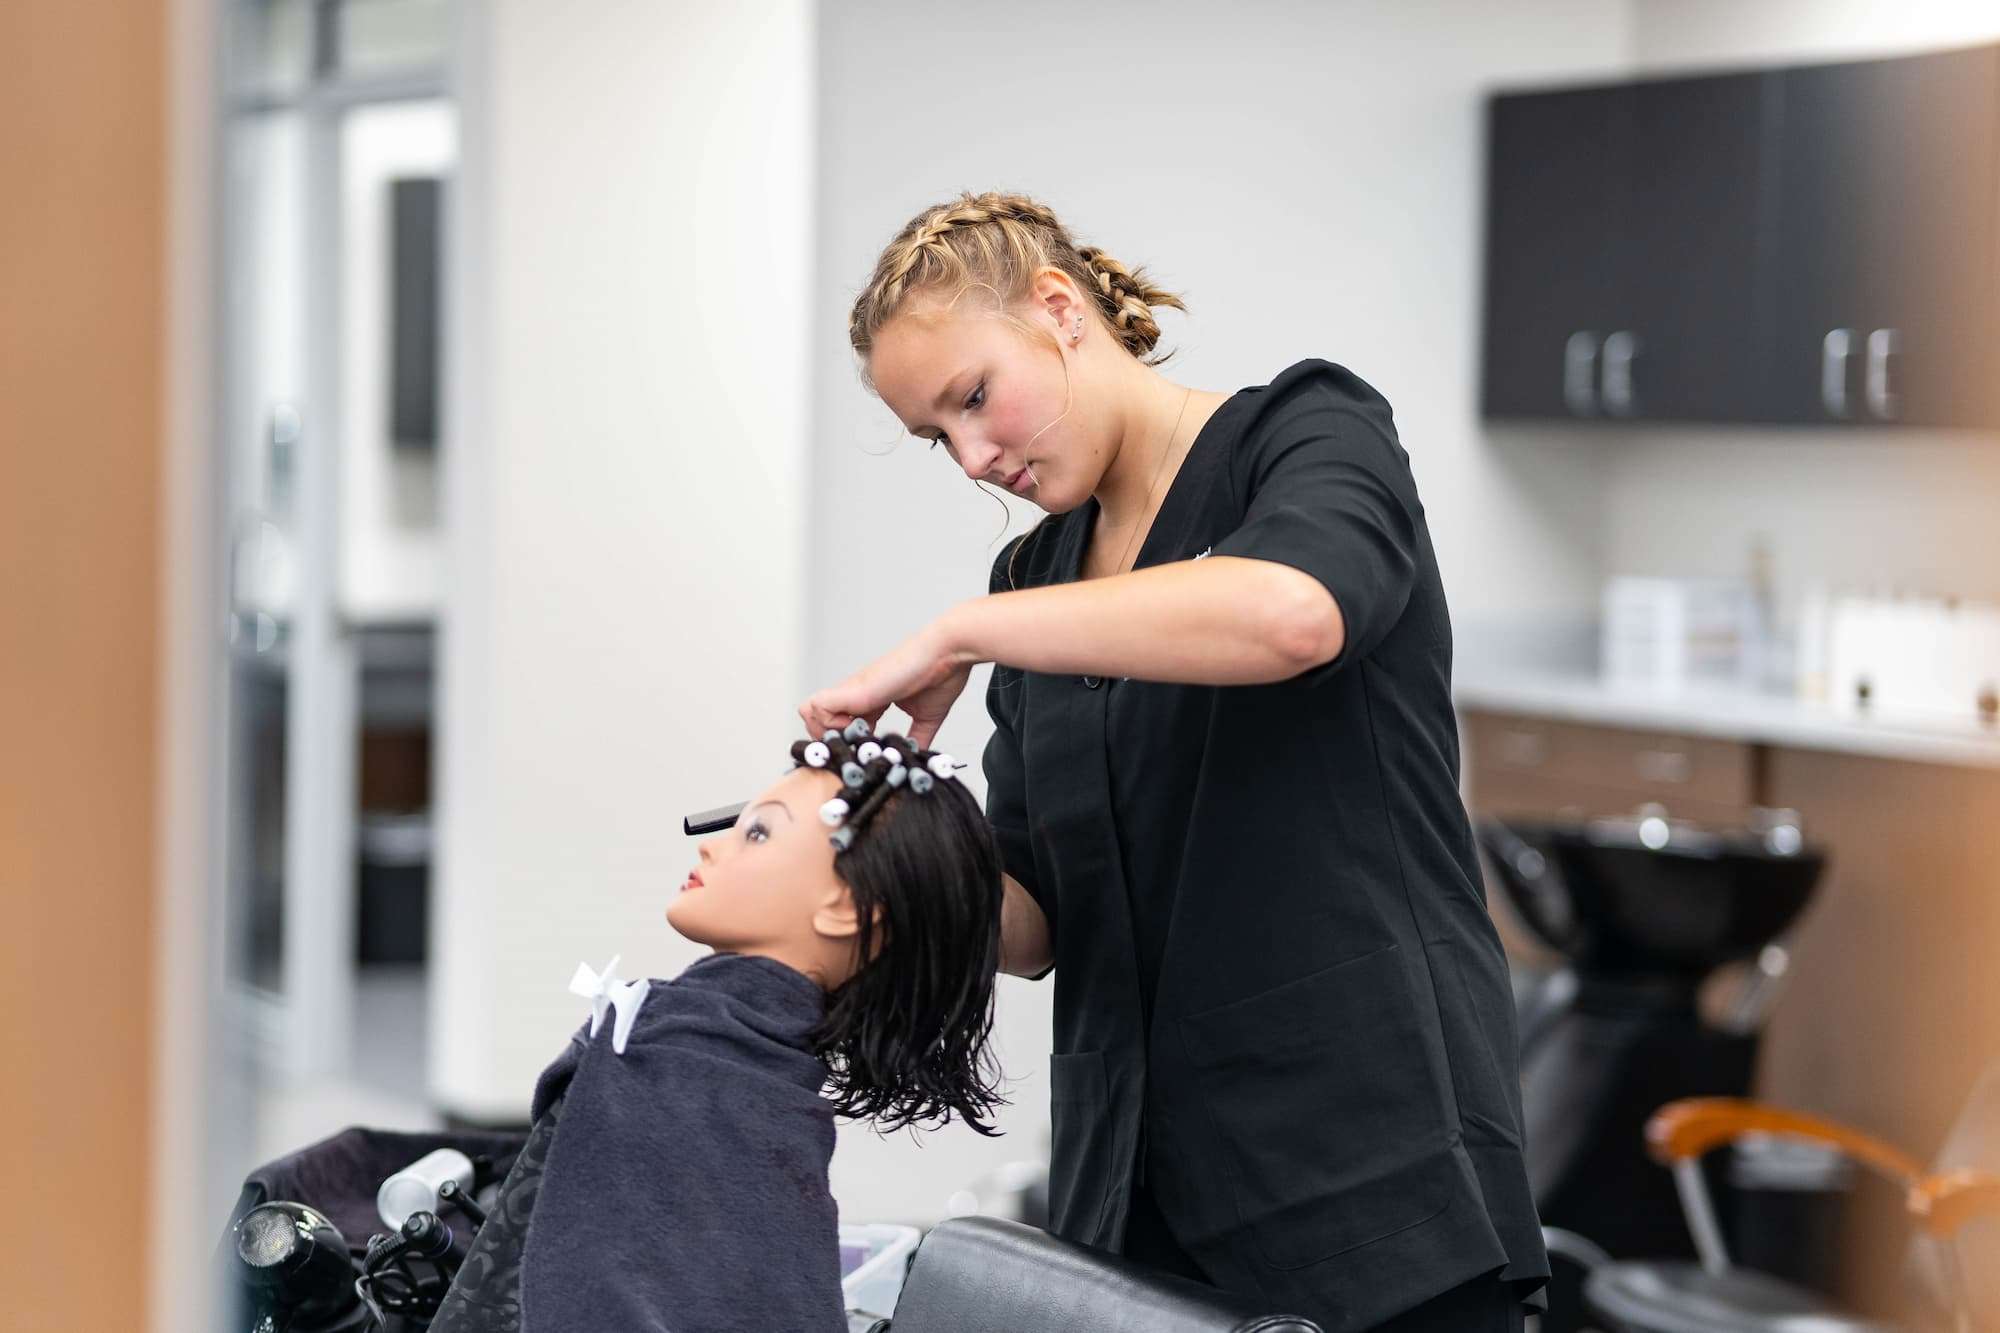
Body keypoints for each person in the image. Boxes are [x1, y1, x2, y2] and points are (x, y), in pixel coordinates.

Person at [801, 191, 1549, 1331]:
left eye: (972, 399)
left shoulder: (1302, 432)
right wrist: (875, 859)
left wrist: (961, 631)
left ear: (1058, 310)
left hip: (1366, 1170)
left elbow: (1294, 614)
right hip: (1136, 1193)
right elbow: (1040, 920)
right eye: (934, 437)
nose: (970, 457)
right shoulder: (1036, 579)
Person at [428, 723, 1004, 1332]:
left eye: (758, 832)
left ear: (844, 907)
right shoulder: (745, 1078)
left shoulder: (672, 1065)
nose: (712, 846)